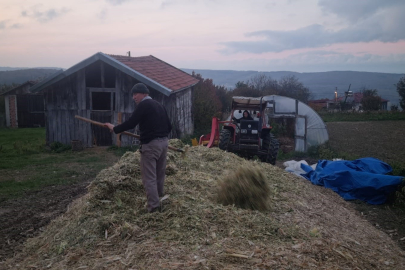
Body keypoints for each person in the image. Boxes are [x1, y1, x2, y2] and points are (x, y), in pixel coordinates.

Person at [104, 83, 172, 213]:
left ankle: (153, 207)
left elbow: (131, 122)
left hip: (151, 145)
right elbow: (169, 126)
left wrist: (115, 129)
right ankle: (160, 197)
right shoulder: (159, 105)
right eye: (133, 94)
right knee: (159, 174)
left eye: (136, 94)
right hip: (164, 143)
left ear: (144, 94)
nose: (134, 97)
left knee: (149, 177)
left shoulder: (144, 105)